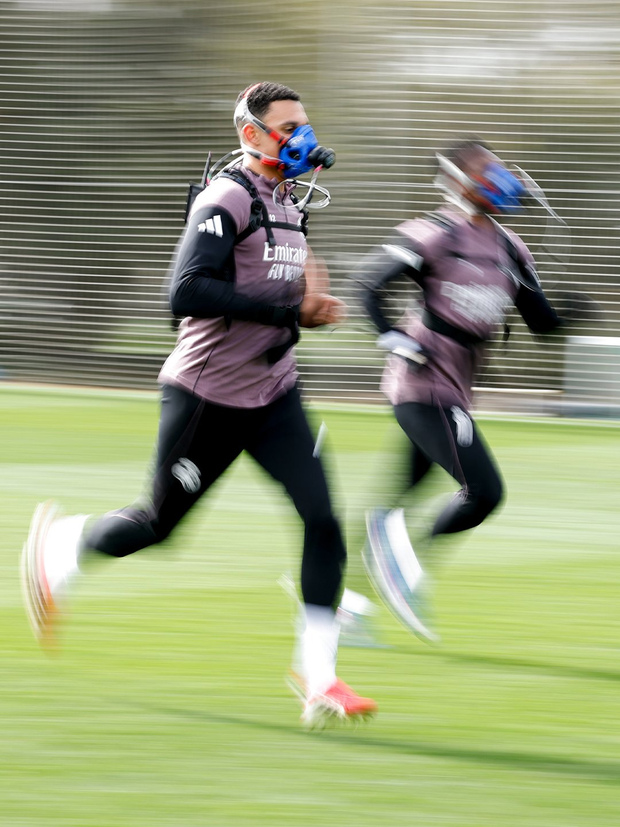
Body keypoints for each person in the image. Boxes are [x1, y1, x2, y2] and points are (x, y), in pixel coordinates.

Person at [22, 81, 377, 727]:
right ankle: (62, 545)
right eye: (287, 126)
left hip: (275, 393)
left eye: (305, 122)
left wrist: (312, 308)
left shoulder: (293, 201)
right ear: (251, 134)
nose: (302, 136)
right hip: (206, 395)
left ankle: (318, 675)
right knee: (156, 526)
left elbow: (283, 283)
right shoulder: (227, 196)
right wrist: (286, 309)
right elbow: (184, 291)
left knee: (323, 520)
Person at [354, 136, 589, 642]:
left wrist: (574, 308)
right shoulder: (435, 233)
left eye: (499, 168)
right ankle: (405, 568)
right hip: (422, 384)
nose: (499, 177)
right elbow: (368, 285)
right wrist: (389, 336)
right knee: (483, 492)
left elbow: (542, 324)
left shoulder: (510, 247)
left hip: (456, 389)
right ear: (459, 180)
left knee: (394, 503)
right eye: (485, 170)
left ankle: (349, 608)